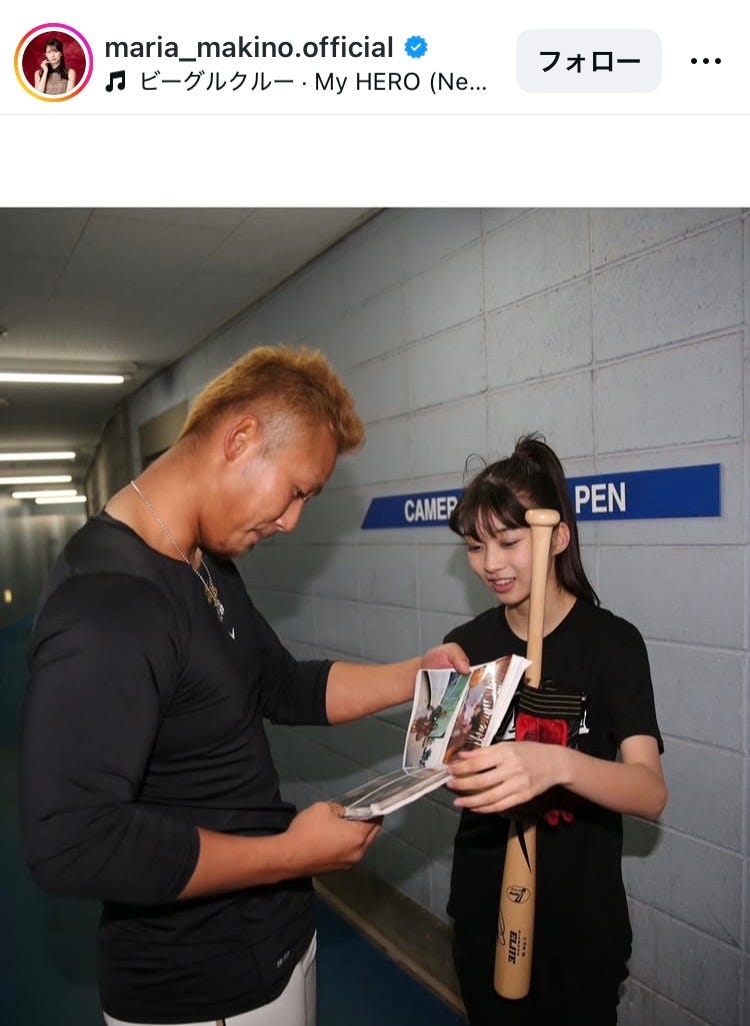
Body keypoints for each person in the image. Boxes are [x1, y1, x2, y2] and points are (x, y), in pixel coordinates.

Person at [19, 345, 469, 1026]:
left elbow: (281, 686)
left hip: (275, 943)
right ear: (240, 440)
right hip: (201, 989)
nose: (291, 521)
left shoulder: (204, 560)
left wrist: (415, 676)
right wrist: (290, 853)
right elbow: (71, 842)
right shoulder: (108, 601)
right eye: (297, 491)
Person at [442, 434, 667, 1026]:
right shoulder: (467, 647)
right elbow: (450, 773)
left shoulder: (613, 645)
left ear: (558, 537)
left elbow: (649, 792)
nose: (491, 564)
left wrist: (556, 764)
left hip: (580, 924)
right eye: (475, 546)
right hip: (484, 909)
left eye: (509, 541)